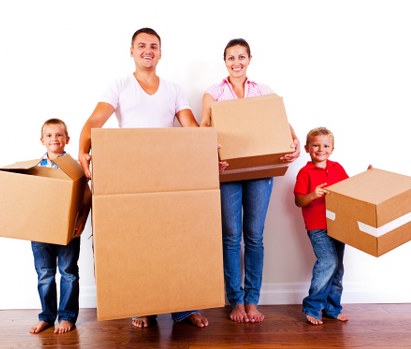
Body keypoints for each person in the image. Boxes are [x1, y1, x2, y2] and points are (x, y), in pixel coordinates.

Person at [78, 27, 208, 328]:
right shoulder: (120, 85)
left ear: (160, 53)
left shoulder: (174, 89)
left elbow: (189, 126)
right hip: (131, 173)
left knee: (175, 240)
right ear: (132, 51)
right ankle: (144, 305)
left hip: (169, 173)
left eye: (153, 46)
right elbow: (94, 122)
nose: (147, 50)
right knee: (139, 241)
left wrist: (208, 145)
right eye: (141, 46)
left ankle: (183, 309)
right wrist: (84, 152)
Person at [201, 38, 300, 323]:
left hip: (260, 171)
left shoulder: (263, 91)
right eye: (231, 58)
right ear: (225, 61)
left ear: (249, 59)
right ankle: (236, 301)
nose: (236, 62)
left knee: (254, 236)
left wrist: (293, 140)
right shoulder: (213, 93)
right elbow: (204, 129)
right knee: (231, 237)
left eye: (241, 57)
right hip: (228, 171)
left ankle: (252, 300)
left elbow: (279, 122)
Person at [30, 118, 87, 334]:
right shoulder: (34, 168)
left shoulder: (75, 167)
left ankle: (67, 317)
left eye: (59, 134)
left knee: (68, 272)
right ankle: (46, 317)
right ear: (42, 140)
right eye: (50, 135)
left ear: (67, 139)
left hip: (68, 229)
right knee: (44, 273)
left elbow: (86, 196)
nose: (55, 138)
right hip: (40, 230)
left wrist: (81, 221)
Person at [294, 126, 349, 325]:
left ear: (332, 149)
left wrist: (367, 177)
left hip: (339, 225)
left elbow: (352, 192)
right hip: (317, 227)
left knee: (337, 268)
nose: (321, 149)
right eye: (315, 145)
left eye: (326, 145)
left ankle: (332, 309)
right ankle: (313, 306)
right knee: (328, 262)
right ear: (308, 148)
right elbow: (299, 201)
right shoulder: (304, 172)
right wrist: (313, 194)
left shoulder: (338, 168)